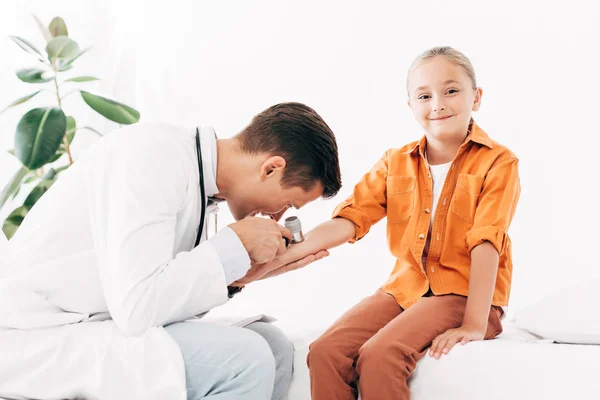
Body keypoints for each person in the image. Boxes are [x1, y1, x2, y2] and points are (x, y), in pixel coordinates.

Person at [0, 102, 341, 400]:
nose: (278, 217)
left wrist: (243, 276)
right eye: (288, 203)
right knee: (247, 358)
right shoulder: (152, 157)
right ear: (271, 168)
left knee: (273, 345)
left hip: (97, 320)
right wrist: (231, 246)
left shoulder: (200, 187)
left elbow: (164, 302)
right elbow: (138, 308)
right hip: (39, 335)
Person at [237, 46, 521, 399]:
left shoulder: (499, 163)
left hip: (463, 293)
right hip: (404, 290)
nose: (438, 104)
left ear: (476, 98)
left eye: (451, 90)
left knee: (379, 356)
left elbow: (487, 242)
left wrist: (475, 324)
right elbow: (352, 218)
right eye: (424, 95)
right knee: (325, 351)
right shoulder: (396, 162)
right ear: (411, 106)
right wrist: (295, 248)